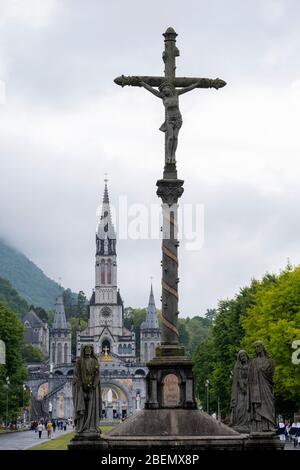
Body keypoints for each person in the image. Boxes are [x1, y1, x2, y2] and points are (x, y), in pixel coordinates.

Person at [139, 79, 221, 163]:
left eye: (165, 90)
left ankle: (173, 155)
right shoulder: (163, 97)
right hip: (169, 119)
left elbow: (187, 89)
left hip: (178, 118)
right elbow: (152, 90)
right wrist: (143, 84)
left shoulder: (176, 94)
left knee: (175, 138)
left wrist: (196, 84)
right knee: (170, 137)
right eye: (163, 91)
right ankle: (169, 156)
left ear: (169, 88)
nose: (164, 92)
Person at [72, 344, 101, 435]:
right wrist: (81, 384)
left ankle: (91, 426)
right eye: (86, 349)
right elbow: (76, 375)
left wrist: (94, 384)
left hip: (92, 389)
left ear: (92, 350)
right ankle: (82, 427)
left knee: (92, 407)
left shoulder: (95, 361)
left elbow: (97, 375)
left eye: (89, 349)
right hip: (81, 388)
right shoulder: (79, 362)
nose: (88, 350)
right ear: (83, 350)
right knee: (82, 407)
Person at [248, 341, 275, 432]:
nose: (256, 349)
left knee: (268, 405)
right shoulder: (253, 362)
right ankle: (259, 427)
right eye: (255, 347)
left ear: (262, 347)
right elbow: (250, 377)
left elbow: (271, 375)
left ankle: (269, 425)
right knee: (258, 406)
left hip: (266, 386)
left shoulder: (270, 361)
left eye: (258, 346)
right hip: (256, 388)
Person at [230, 350, 250, 432]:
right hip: (240, 391)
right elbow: (237, 379)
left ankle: (247, 424)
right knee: (240, 407)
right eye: (241, 356)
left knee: (247, 408)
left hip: (249, 390)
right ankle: (240, 423)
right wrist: (242, 386)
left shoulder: (250, 366)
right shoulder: (237, 367)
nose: (243, 357)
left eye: (244, 355)